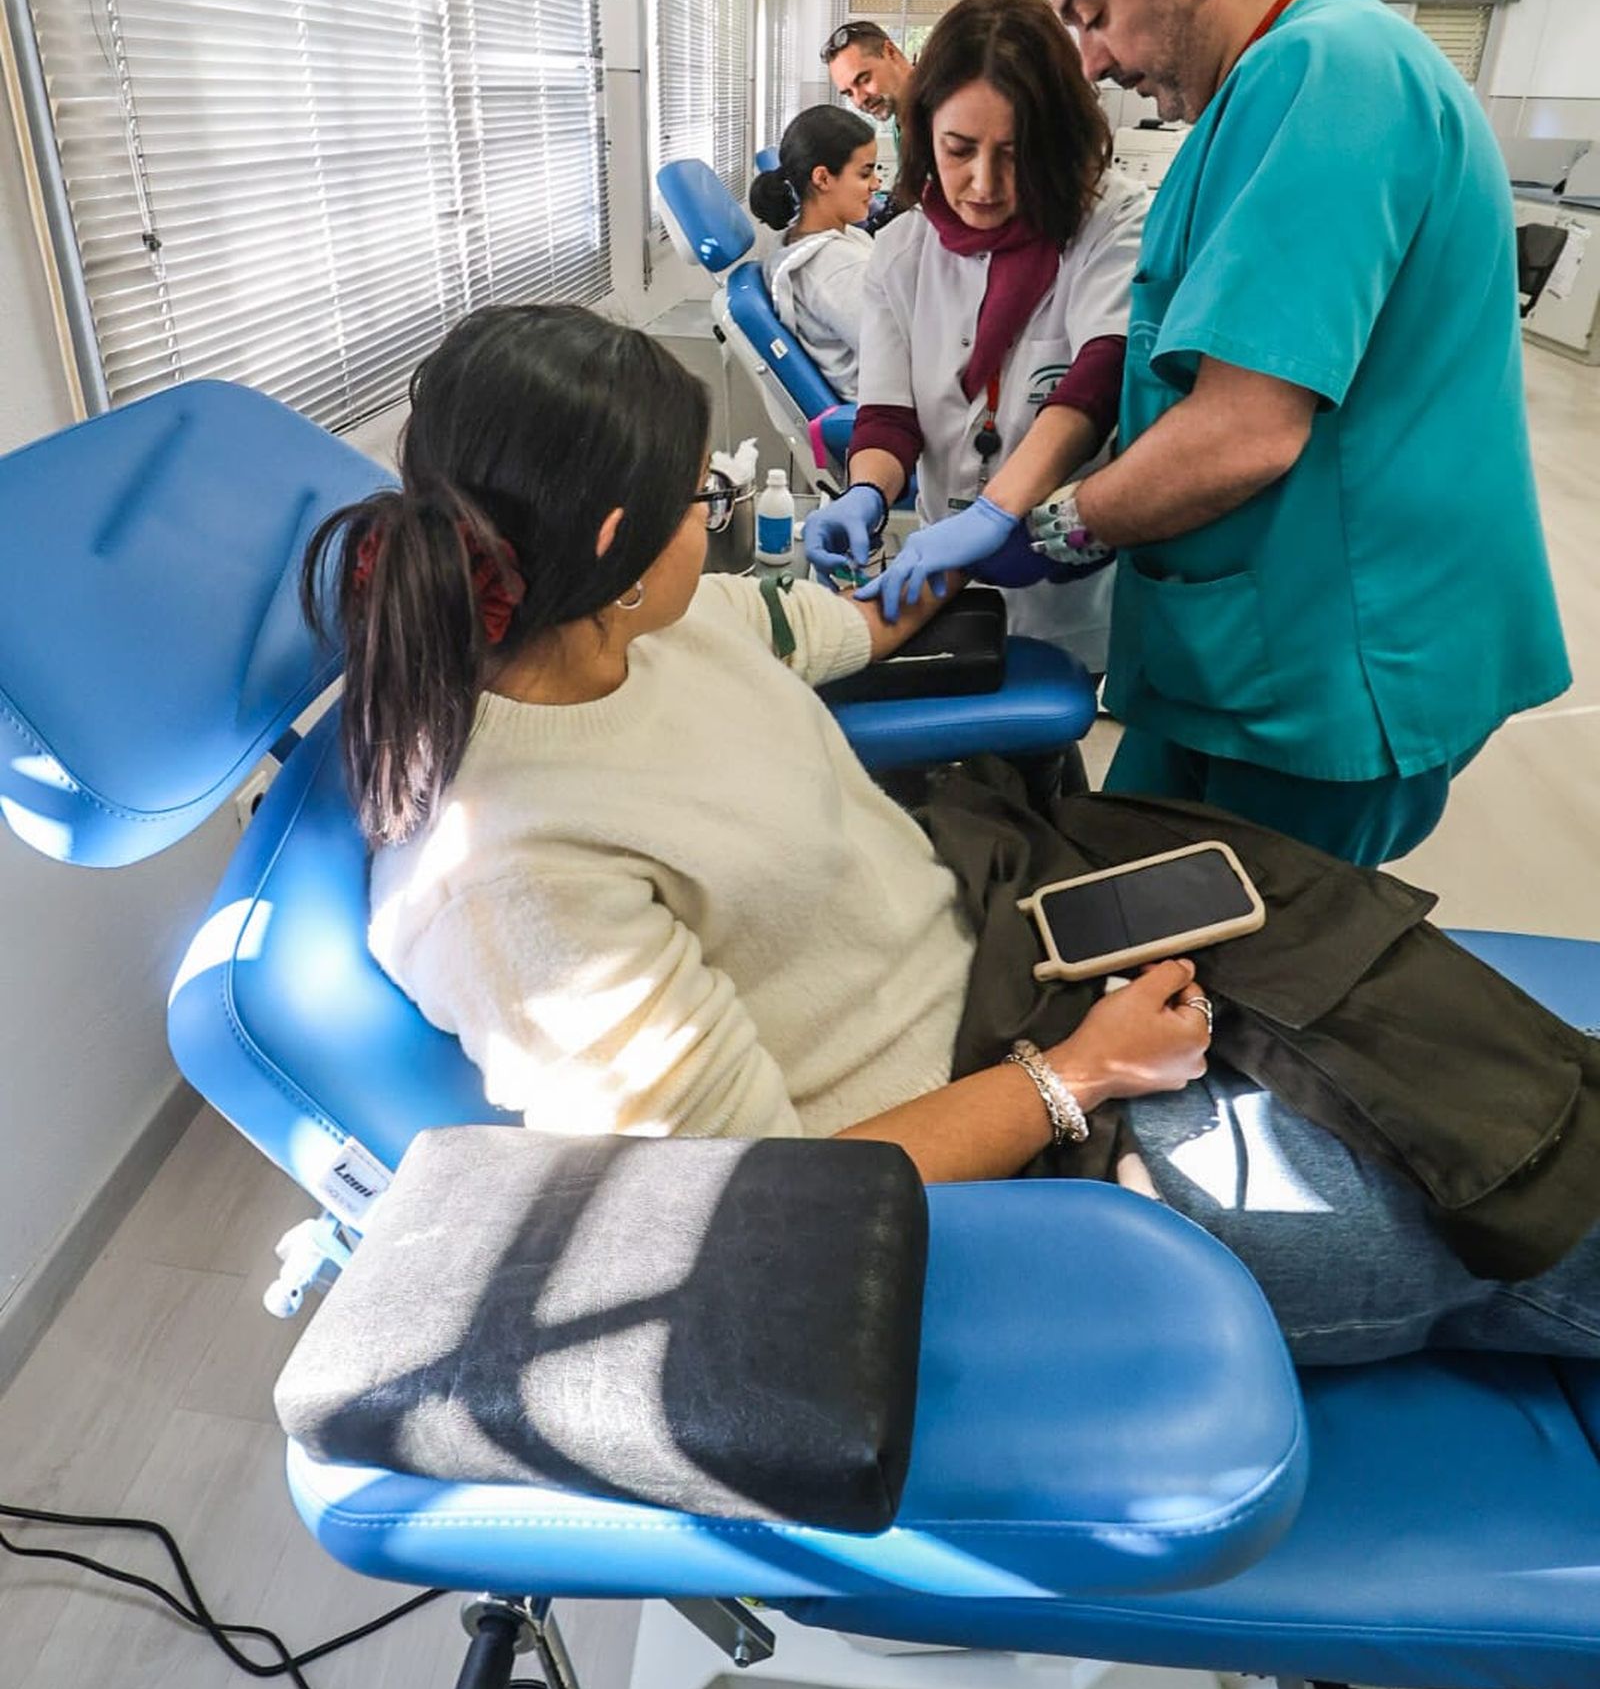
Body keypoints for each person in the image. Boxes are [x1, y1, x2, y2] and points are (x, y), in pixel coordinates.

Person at [304, 301, 1600, 1366]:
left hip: (1007, 946)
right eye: (701, 495)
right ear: (611, 545)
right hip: (988, 1163)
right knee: (1473, 1199)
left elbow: (830, 630)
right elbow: (762, 1199)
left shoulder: (645, 627)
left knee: (1448, 1046)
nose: (719, 515)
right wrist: (1075, 1076)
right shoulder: (520, 880)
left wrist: (955, 557)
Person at [1029, 0, 1569, 868]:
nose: (1088, 59)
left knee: (1226, 997)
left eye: (1092, 13)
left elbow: (1243, 431)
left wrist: (1053, 527)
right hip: (1246, 650)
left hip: (1330, 661)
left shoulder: (1330, 74)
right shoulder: (1262, 89)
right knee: (1112, 902)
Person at [804, 0, 1148, 677]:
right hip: (945, 566)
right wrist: (866, 493)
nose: (983, 184)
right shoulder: (902, 250)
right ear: (925, 130)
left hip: (1066, 580)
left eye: (1014, 154)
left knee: (1047, 725)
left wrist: (997, 513)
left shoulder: (1109, 223)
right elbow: (888, 416)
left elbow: (1096, 379)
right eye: (959, 150)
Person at [748, 106, 877, 398]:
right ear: (822, 178)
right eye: (865, 173)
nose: (875, 184)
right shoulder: (832, 269)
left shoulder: (802, 241)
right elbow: (896, 350)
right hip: (886, 405)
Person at [822, 17, 913, 187]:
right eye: (849, 93)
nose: (859, 100)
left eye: (864, 79)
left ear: (890, 52)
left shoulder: (942, 107)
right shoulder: (900, 119)